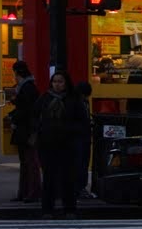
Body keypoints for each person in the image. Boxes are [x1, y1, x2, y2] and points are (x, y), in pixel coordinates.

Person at [32, 70, 89, 219]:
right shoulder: (45, 98)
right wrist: (40, 130)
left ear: (66, 83)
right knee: (49, 178)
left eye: (60, 81)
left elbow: (83, 122)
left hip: (68, 144)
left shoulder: (73, 100)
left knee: (68, 178)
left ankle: (69, 209)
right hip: (47, 144)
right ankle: (47, 210)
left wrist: (69, 130)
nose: (57, 85)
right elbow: (34, 116)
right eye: (55, 81)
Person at [8, 61, 40, 203]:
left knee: (28, 162)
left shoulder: (25, 88)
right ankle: (27, 192)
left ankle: (30, 192)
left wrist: (13, 116)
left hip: (26, 129)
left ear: (16, 72)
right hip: (27, 128)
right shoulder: (28, 87)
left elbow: (26, 109)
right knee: (27, 161)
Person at [74, 80, 94, 198]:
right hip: (81, 136)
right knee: (82, 163)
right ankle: (80, 187)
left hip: (82, 136)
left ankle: (79, 187)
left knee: (81, 162)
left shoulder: (82, 102)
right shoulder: (81, 103)